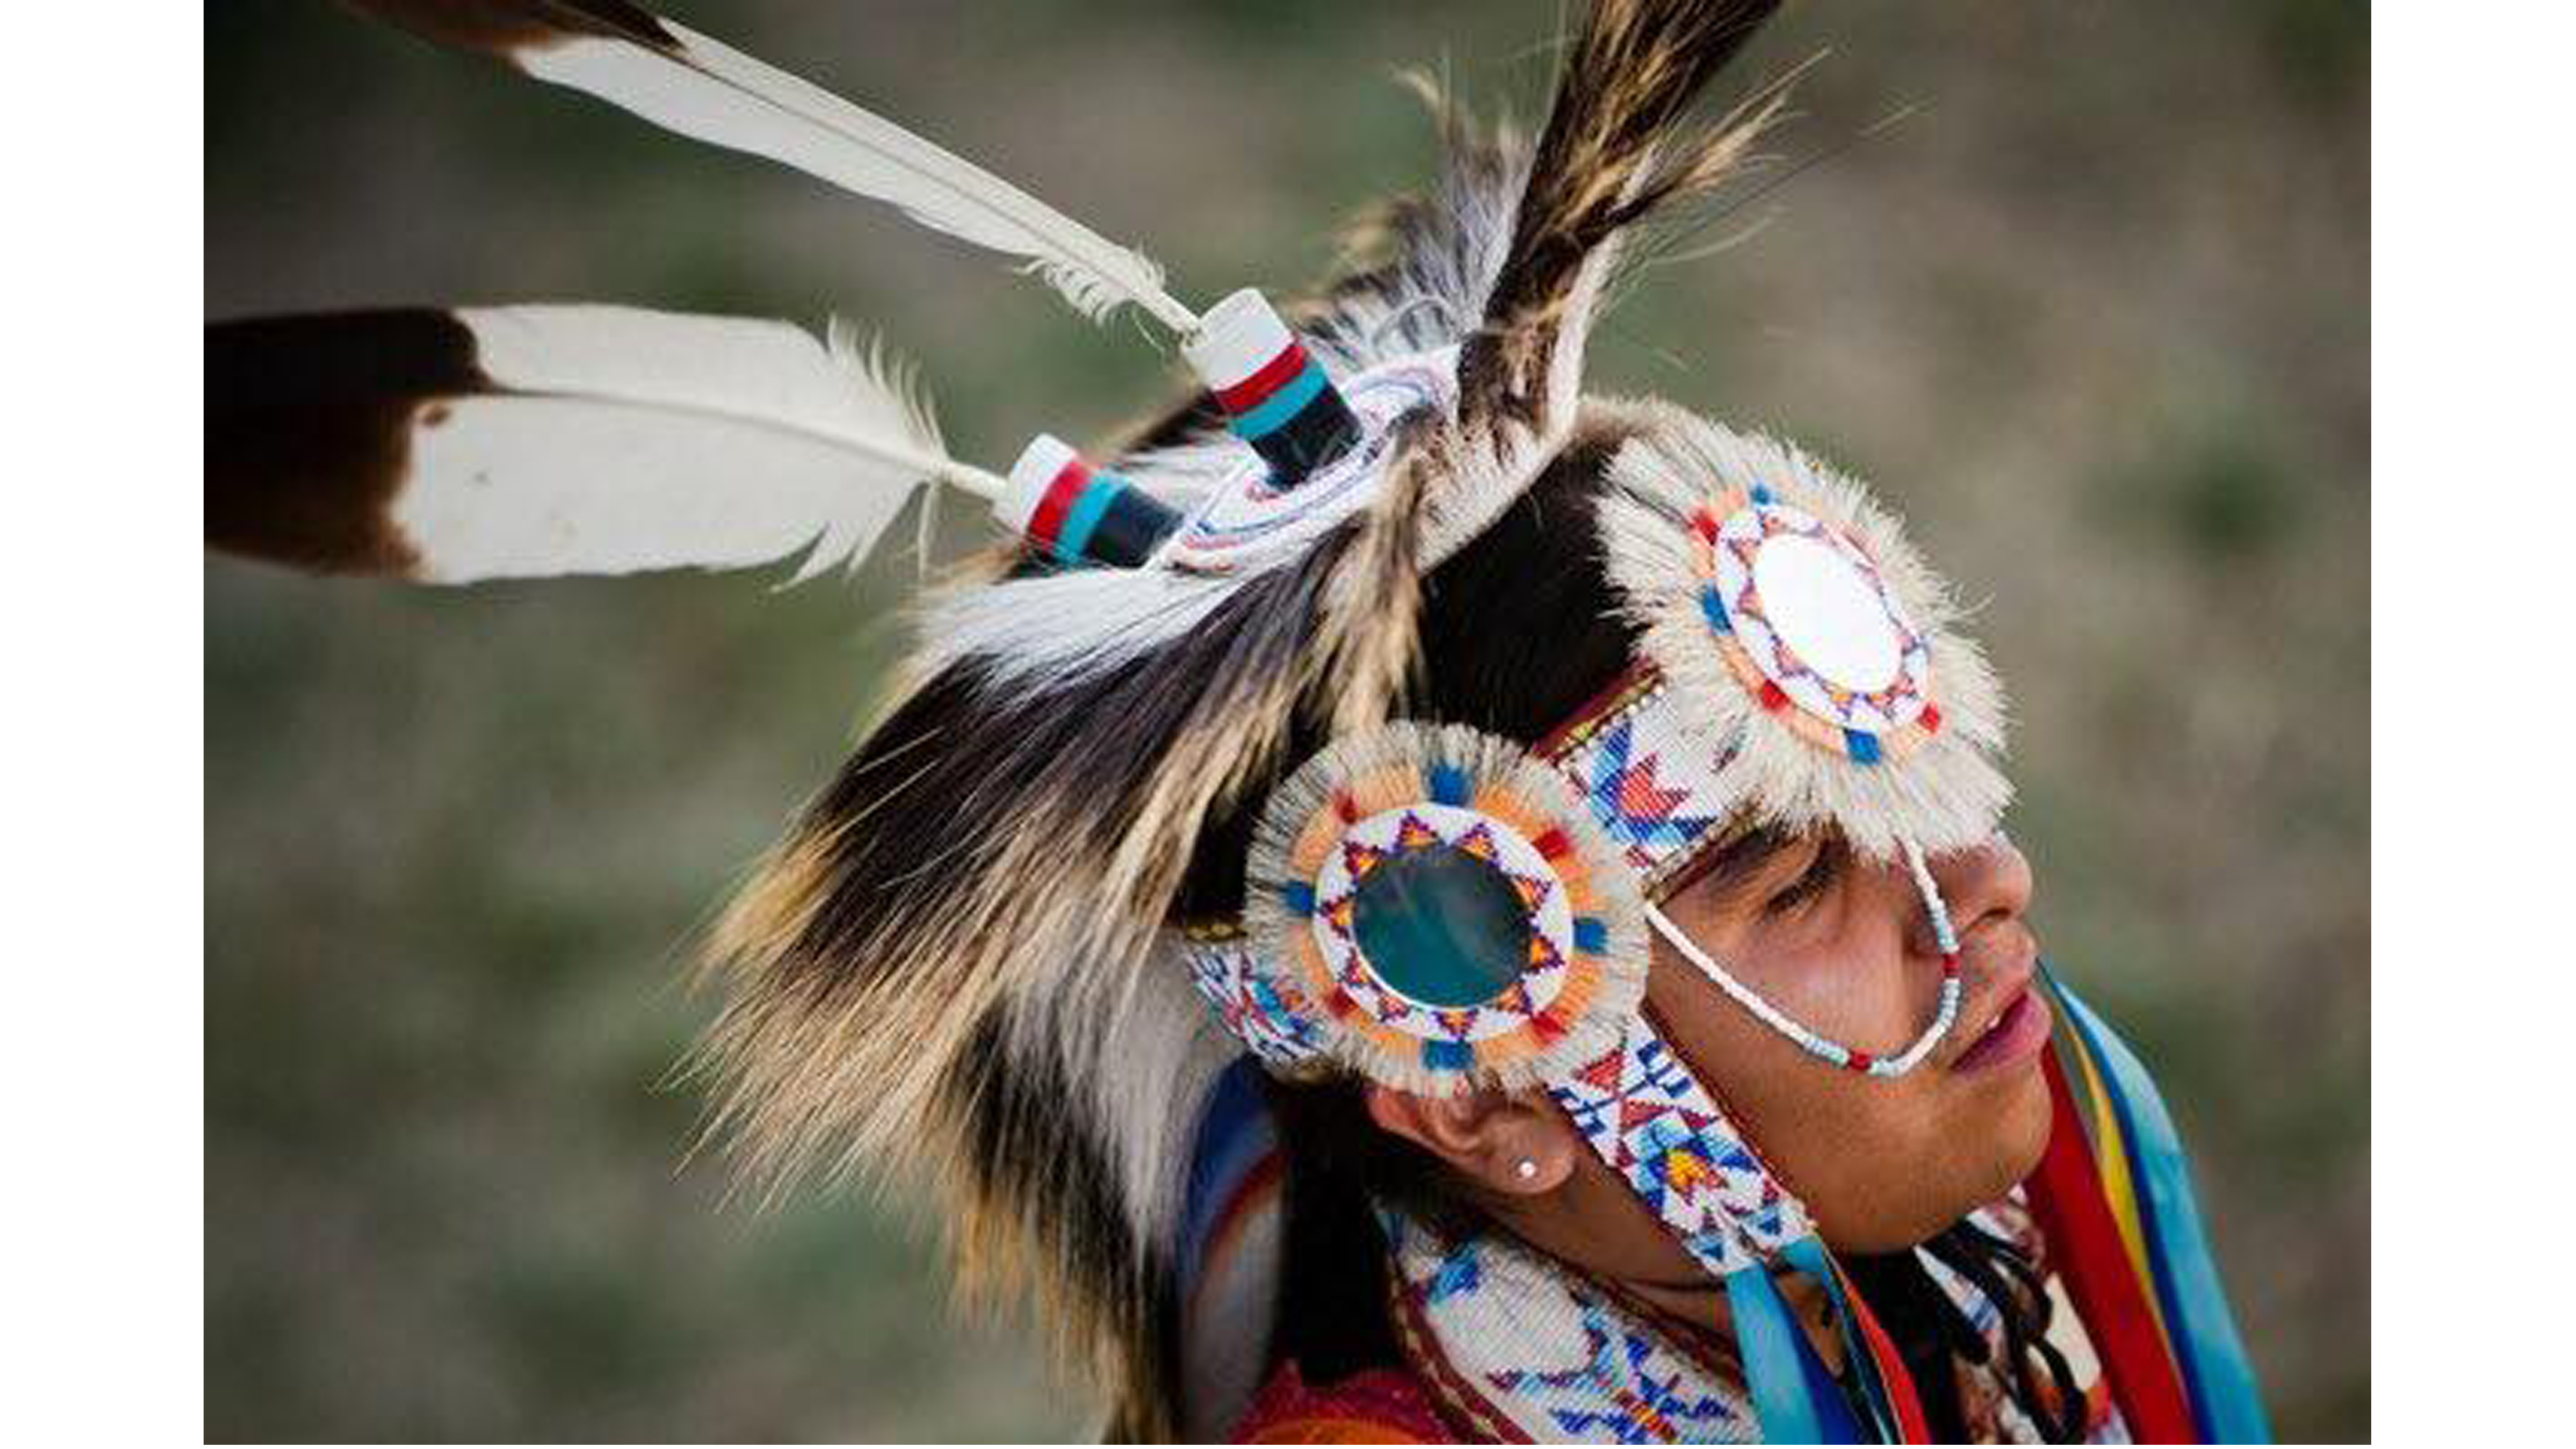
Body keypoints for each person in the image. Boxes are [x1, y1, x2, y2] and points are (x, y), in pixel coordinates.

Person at [206, 1, 2268, 1441]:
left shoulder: (1960, 1221)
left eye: (1897, 780)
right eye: (1801, 863)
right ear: (1481, 1096)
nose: (1981, 880)